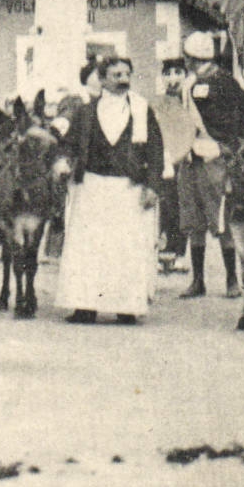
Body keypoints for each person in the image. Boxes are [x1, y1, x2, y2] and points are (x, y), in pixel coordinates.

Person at [54, 55, 164, 323]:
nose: (123, 79)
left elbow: (156, 150)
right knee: (89, 247)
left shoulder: (141, 109)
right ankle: (85, 306)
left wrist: (152, 186)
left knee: (125, 248)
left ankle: (126, 308)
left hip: (127, 188)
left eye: (127, 73)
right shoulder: (86, 111)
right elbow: (68, 144)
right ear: (102, 79)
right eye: (116, 75)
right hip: (93, 186)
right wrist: (63, 161)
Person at [178, 31, 244, 299]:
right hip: (190, 154)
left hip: (215, 155)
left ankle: (231, 280)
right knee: (193, 219)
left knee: (222, 219)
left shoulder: (224, 82)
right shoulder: (187, 84)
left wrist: (229, 146)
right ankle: (199, 280)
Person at [150, 56, 199, 274]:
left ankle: (179, 253)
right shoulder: (158, 104)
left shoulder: (191, 101)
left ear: (185, 76)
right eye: (168, 73)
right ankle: (162, 252)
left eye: (178, 73)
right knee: (164, 204)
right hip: (164, 159)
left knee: (183, 204)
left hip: (187, 159)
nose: (173, 78)